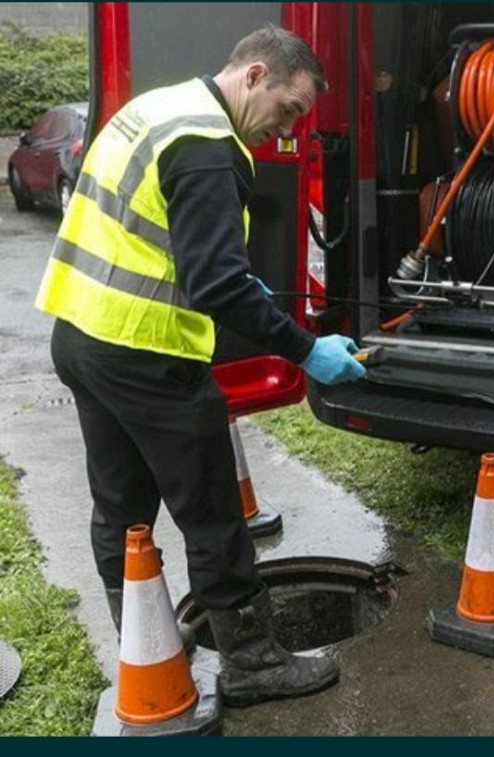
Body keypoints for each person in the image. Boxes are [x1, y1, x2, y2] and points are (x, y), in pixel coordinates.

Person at [34, 25, 361, 707]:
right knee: (213, 509)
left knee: (121, 505)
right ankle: (252, 661)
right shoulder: (212, 150)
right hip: (148, 354)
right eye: (288, 109)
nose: (284, 130)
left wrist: (227, 275)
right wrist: (305, 348)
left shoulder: (158, 109)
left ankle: (145, 638)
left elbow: (163, 238)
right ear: (254, 75)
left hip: (83, 336)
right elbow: (216, 285)